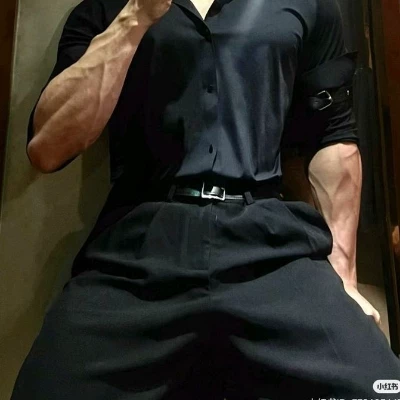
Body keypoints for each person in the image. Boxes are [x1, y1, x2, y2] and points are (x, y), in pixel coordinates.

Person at [11, 0, 400, 399]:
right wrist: (134, 18)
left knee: (382, 389)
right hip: (139, 249)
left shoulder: (308, 4)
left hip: (269, 244)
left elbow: (333, 136)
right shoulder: (105, 7)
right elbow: (48, 148)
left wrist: (345, 277)